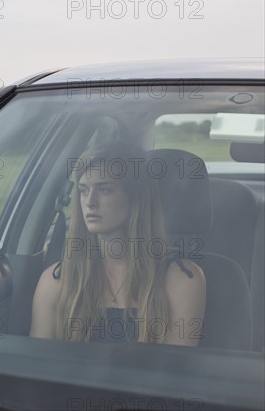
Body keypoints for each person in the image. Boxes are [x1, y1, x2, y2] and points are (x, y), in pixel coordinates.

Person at [30, 141, 206, 346]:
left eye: (104, 190)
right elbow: (37, 367)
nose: (90, 202)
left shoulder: (181, 281)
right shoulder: (57, 281)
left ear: (135, 198)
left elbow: (174, 374)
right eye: (84, 191)